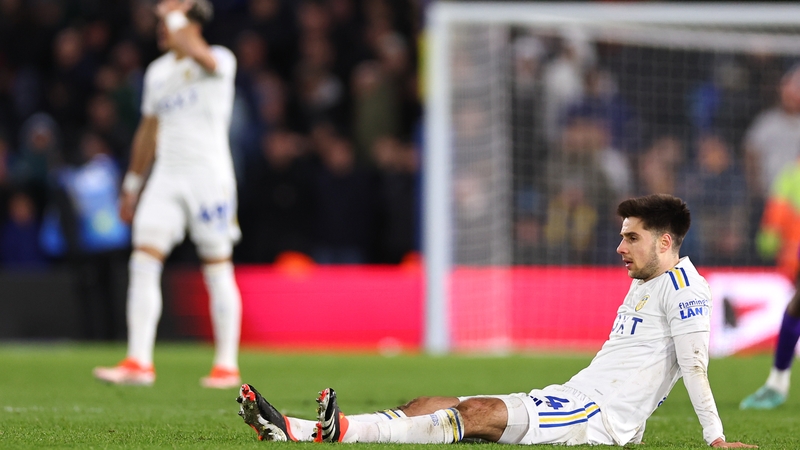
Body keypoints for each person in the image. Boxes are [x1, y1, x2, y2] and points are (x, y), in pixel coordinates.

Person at [235, 194, 757, 448]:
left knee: (476, 414)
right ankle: (301, 429)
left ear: (665, 242)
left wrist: (715, 440)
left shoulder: (686, 289)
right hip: (573, 396)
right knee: (427, 403)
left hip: (598, 418)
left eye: (631, 238)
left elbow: (694, 367)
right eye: (621, 236)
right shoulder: (644, 282)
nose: (619, 247)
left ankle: (334, 433)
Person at [93, 0, 242, 389]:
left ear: (190, 22)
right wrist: (132, 185)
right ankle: (139, 361)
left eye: (168, 20)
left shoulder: (220, 59)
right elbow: (148, 130)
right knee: (143, 259)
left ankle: (226, 365)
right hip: (166, 176)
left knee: (217, 265)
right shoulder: (158, 72)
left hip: (208, 177)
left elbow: (203, 57)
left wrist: (178, 15)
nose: (160, 27)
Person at [739, 155, 800, 410]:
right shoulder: (792, 172)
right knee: (797, 306)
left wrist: (770, 240)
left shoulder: (791, 173)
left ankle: (777, 384)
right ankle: (777, 384)